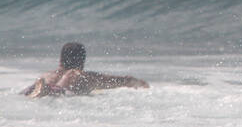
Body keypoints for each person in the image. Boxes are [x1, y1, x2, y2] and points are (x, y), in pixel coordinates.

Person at [21, 42, 149, 98]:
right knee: (60, 93)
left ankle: (44, 90)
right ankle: (49, 91)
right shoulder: (82, 75)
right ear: (82, 59)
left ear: (61, 58)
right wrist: (136, 82)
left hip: (34, 88)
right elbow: (116, 81)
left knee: (33, 91)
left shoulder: (48, 74)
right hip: (63, 92)